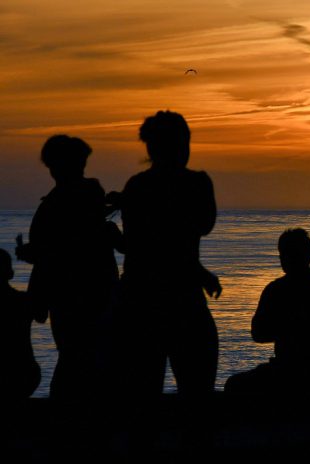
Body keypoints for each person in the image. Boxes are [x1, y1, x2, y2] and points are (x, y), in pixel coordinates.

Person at [116, 110, 220, 400]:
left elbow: (145, 247)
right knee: (196, 391)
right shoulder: (197, 183)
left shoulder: (137, 187)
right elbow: (199, 228)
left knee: (142, 392)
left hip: (141, 301)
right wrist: (199, 272)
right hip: (179, 301)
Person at [15, 135, 119, 400]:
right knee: (84, 360)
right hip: (87, 294)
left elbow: (62, 248)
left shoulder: (64, 199)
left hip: (74, 296)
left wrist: (34, 253)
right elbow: (71, 245)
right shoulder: (83, 196)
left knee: (76, 360)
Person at [225, 228, 310, 392]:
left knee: (234, 385)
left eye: (285, 254)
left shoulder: (277, 290)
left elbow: (258, 333)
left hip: (295, 372)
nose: (283, 258)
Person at [0, 249, 41, 398]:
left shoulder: (23, 301)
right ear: (10, 274)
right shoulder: (23, 301)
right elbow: (41, 315)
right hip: (25, 374)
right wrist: (39, 265)